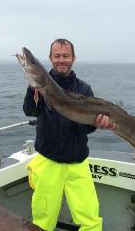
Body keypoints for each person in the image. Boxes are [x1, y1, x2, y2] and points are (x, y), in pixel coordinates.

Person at [23, 39, 116, 231]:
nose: (61, 60)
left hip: (77, 162)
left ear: (73, 58)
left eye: (66, 56)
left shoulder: (84, 89)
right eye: (57, 56)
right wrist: (33, 88)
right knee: (42, 219)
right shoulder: (39, 85)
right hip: (48, 161)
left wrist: (97, 124)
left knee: (91, 219)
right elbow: (30, 111)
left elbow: (87, 128)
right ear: (50, 58)